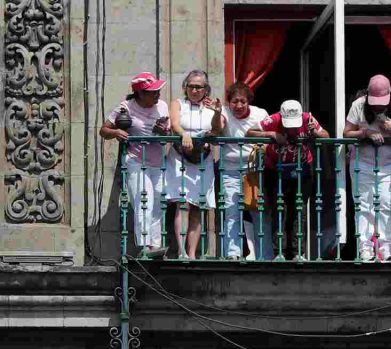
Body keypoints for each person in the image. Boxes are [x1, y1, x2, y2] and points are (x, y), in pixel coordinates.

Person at [343, 75, 391, 262]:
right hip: (362, 163)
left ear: (390, 95)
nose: (378, 107)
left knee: (387, 204)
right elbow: (346, 133)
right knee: (364, 206)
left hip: (389, 164)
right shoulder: (358, 104)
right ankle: (365, 249)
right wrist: (365, 133)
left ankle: (387, 249)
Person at [100, 72, 170, 256]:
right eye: (153, 92)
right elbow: (104, 130)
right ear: (140, 94)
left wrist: (163, 131)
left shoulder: (162, 106)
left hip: (158, 161)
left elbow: (167, 134)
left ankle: (155, 245)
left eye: (158, 91)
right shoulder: (126, 107)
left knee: (158, 203)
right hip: (136, 160)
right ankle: (146, 245)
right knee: (143, 201)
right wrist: (116, 133)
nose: (157, 95)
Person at [248, 100, 329, 260]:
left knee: (299, 211)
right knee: (279, 210)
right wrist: (271, 134)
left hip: (302, 170)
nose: (292, 129)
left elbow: (326, 135)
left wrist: (316, 133)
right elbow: (249, 133)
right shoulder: (274, 119)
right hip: (276, 171)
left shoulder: (307, 119)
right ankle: (279, 252)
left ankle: (298, 251)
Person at [165, 70, 220, 258]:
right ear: (185, 87)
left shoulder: (212, 107)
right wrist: (184, 134)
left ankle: (192, 253)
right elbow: (174, 123)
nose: (195, 90)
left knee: (197, 207)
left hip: (202, 159)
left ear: (206, 89)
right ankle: (181, 251)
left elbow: (217, 129)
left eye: (199, 87)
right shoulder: (177, 103)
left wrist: (217, 112)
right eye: (191, 86)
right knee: (183, 204)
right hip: (180, 157)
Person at [213, 82, 268, 260]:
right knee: (232, 212)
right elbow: (217, 129)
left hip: (254, 171)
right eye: (234, 101)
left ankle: (264, 256)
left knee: (259, 213)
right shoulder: (224, 113)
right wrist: (216, 112)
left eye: (242, 101)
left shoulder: (260, 114)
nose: (238, 106)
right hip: (229, 169)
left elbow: (270, 135)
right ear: (228, 102)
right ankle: (233, 254)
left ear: (248, 101)